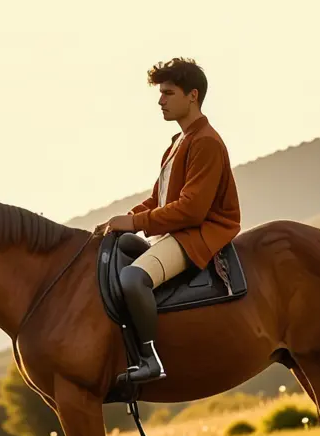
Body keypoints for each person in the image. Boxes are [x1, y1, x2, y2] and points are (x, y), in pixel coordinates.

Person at [100, 57, 241, 385]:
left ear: (192, 95)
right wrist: (123, 220)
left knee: (134, 279)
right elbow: (158, 201)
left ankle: (150, 359)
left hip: (198, 234)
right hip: (175, 232)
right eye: (160, 93)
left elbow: (191, 210)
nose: (160, 100)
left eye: (168, 93)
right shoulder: (179, 143)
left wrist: (135, 224)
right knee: (118, 245)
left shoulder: (205, 141)